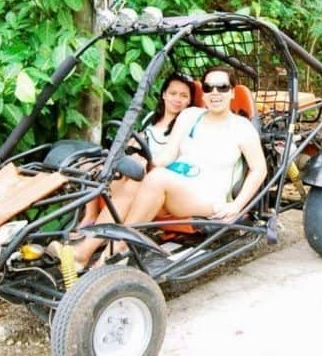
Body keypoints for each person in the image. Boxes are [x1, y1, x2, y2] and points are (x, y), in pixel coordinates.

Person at [67, 66, 268, 269]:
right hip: (177, 185)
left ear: (232, 92)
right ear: (204, 93)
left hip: (209, 197)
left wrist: (237, 206)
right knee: (133, 183)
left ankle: (115, 252)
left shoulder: (242, 127)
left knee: (158, 178)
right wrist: (143, 163)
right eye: (208, 87)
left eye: (222, 87)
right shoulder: (190, 116)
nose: (215, 93)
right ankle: (84, 252)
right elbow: (167, 155)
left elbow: (259, 169)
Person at [77, 73, 196, 230]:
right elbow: (136, 142)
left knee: (130, 177)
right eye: (173, 93)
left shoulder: (186, 124)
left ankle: (106, 231)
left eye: (183, 96)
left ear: (189, 101)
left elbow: (174, 156)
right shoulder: (151, 118)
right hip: (137, 163)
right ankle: (90, 217)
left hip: (157, 173)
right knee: (91, 167)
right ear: (164, 95)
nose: (177, 99)